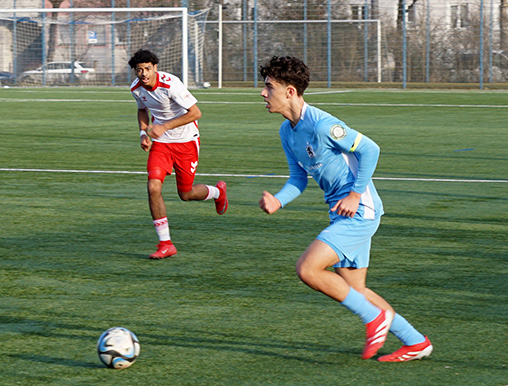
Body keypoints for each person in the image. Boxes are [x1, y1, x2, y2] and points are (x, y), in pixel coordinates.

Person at [258, 56, 432, 362]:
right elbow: (299, 178)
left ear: (289, 92)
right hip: (341, 212)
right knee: (354, 287)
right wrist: (278, 199)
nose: (262, 93)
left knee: (308, 269)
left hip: (360, 210)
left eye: (269, 87)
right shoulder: (287, 132)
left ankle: (374, 319)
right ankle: (416, 341)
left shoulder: (324, 125)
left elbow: (370, 149)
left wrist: (353, 194)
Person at [128, 49, 228, 259]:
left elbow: (195, 113)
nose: (144, 73)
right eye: (139, 70)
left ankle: (218, 192)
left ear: (155, 67)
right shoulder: (136, 88)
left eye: (147, 68)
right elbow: (141, 110)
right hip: (161, 144)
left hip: (186, 141)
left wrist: (164, 127)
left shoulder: (171, 83)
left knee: (186, 194)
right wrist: (142, 133)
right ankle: (165, 244)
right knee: (153, 186)